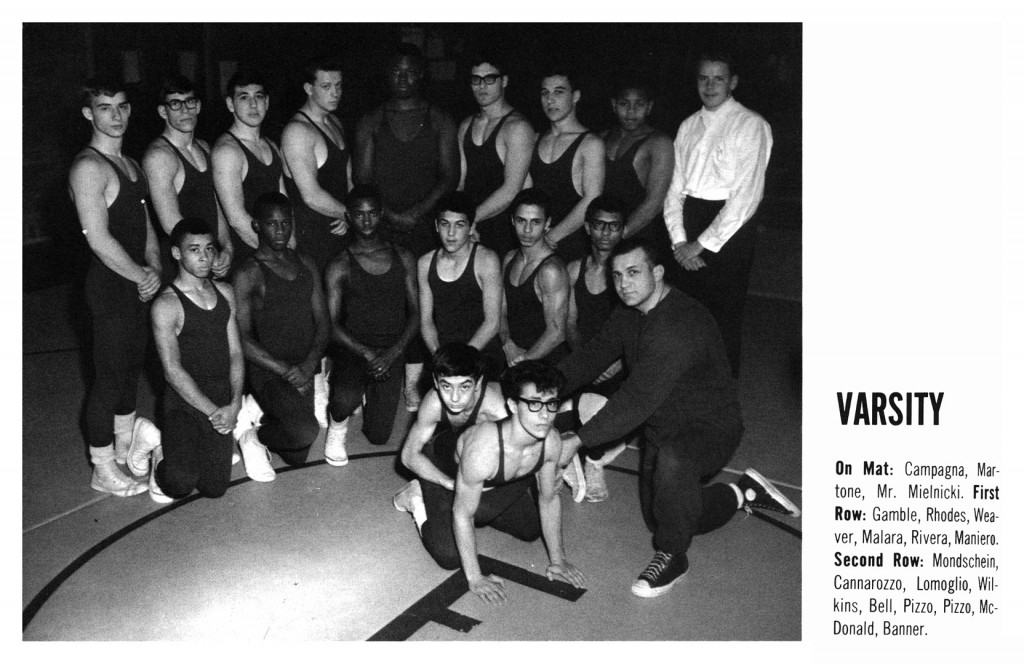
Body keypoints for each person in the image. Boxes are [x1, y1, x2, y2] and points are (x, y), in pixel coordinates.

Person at [557, 239, 799, 598]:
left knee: (673, 478)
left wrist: (577, 441)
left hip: (709, 428)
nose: (624, 284)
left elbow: (636, 400)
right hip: (663, 426)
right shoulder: (630, 312)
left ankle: (673, 558)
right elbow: (592, 356)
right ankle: (741, 493)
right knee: (665, 513)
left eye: (633, 272)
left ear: (657, 273)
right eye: (618, 275)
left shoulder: (678, 326)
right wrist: (542, 386)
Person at [398, 358, 585, 604]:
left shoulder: (551, 441)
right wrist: (475, 578)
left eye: (551, 404)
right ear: (513, 405)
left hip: (491, 475)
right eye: (533, 404)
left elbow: (548, 499)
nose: (544, 415)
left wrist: (558, 560)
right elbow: (463, 514)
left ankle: (485, 503)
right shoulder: (484, 449)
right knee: (450, 556)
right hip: (444, 469)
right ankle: (416, 497)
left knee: (530, 529)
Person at [69, 77, 161, 497]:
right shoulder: (88, 167)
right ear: (89, 114)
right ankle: (102, 467)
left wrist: (154, 268)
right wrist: (141, 275)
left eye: (122, 106)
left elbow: (145, 226)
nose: (116, 115)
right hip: (110, 285)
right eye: (105, 108)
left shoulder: (131, 164)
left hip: (137, 282)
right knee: (108, 379)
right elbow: (99, 240)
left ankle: (124, 448)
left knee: (129, 371)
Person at [663, 53, 773, 377]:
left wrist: (700, 245)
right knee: (684, 315)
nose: (710, 86)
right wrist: (679, 242)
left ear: (733, 82)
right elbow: (674, 188)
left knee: (721, 319)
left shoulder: (751, 124)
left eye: (719, 79)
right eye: (703, 78)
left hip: (728, 230)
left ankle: (720, 397)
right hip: (687, 224)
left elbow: (746, 197)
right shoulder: (687, 126)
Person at [143, 219, 245, 503]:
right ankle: (159, 454)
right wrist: (216, 414)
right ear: (177, 253)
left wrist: (235, 402)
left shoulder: (225, 292)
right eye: (194, 249)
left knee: (215, 489)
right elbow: (172, 372)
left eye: (210, 249)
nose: (204, 257)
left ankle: (186, 450)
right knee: (180, 484)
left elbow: (236, 353)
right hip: (184, 403)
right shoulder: (166, 304)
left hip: (221, 398)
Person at [231, 193, 329, 481]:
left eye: (285, 223)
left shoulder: (306, 263)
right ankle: (251, 437)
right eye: (271, 224)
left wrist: (309, 366)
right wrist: (287, 371)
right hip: (269, 369)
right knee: (305, 431)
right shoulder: (248, 273)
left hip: (304, 365)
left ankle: (263, 414)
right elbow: (242, 338)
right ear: (257, 225)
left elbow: (324, 322)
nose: (280, 231)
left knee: (297, 455)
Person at [323, 185, 419, 462]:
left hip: (391, 351)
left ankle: (364, 393)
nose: (366, 221)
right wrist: (367, 354)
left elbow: (416, 313)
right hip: (354, 349)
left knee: (378, 436)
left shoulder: (403, 256)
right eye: (359, 214)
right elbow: (331, 325)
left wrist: (393, 353)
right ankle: (337, 424)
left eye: (373, 213)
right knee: (344, 400)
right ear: (348, 217)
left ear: (382, 214)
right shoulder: (339, 264)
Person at [354, 43, 459, 258]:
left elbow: (450, 178)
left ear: (420, 74)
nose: (402, 79)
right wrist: (392, 216)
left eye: (410, 72)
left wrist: (416, 213)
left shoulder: (440, 120)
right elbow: (362, 179)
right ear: (387, 74)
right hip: (381, 224)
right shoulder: (371, 121)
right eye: (396, 71)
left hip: (427, 225)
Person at [565, 195, 630, 502]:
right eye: (599, 225)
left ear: (624, 230)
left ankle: (594, 462)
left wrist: (615, 363)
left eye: (613, 226)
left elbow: (636, 330)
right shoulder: (573, 269)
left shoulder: (629, 275)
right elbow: (569, 324)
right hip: (584, 357)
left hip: (619, 364)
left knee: (600, 407)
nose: (605, 232)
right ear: (587, 228)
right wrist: (586, 362)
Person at [143, 75, 233, 279]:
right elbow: (171, 223)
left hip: (207, 255)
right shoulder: (159, 156)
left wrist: (227, 246)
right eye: (175, 104)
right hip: (183, 263)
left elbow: (216, 205)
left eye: (189, 102)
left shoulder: (204, 147)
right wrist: (208, 253)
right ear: (162, 111)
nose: (185, 110)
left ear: (198, 106)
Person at [457, 52, 536, 258]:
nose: (482, 86)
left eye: (489, 78)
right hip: (469, 228)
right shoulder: (465, 125)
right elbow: (461, 183)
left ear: (504, 81)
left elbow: (511, 190)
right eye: (476, 79)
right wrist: (457, 221)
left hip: (502, 230)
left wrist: (468, 221)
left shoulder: (517, 127)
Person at [418, 191, 504, 379]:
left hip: (482, 352)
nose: (451, 233)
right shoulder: (425, 263)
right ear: (436, 226)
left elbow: (492, 323)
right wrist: (439, 357)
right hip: (443, 354)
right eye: (445, 224)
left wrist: (460, 361)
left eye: (459, 225)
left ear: (471, 227)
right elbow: (426, 322)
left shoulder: (486, 260)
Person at [281, 58, 350, 271]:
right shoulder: (297, 131)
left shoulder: (334, 121)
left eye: (338, 85)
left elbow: (348, 176)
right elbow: (311, 196)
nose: (335, 93)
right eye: (326, 86)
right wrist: (351, 215)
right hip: (314, 236)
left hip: (341, 226)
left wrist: (348, 212)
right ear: (309, 88)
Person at [529, 66, 604, 262]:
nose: (550, 100)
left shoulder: (591, 144)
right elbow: (526, 193)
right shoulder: (535, 139)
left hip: (572, 246)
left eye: (558, 92)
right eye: (545, 93)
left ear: (575, 96)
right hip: (535, 241)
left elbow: (592, 198)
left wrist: (551, 238)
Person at [212, 68, 286, 267]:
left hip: (276, 248)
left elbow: (284, 202)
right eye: (244, 97)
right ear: (230, 104)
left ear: (267, 102)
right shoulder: (227, 151)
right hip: (249, 256)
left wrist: (289, 246)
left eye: (258, 96)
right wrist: (275, 256)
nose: (253, 104)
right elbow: (236, 218)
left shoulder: (271, 145)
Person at [601, 82, 674, 253]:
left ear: (649, 107)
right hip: (603, 234)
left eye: (639, 104)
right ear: (614, 105)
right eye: (624, 104)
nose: (631, 111)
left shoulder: (659, 142)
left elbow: (654, 204)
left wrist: (618, 236)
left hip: (639, 238)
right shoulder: (601, 138)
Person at [500, 189, 570, 367]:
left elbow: (557, 333)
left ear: (547, 223)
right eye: (521, 220)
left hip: (546, 364)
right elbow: (500, 310)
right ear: (512, 220)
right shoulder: (509, 259)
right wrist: (507, 343)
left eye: (536, 222)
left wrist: (523, 361)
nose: (527, 230)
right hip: (514, 358)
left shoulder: (551, 270)